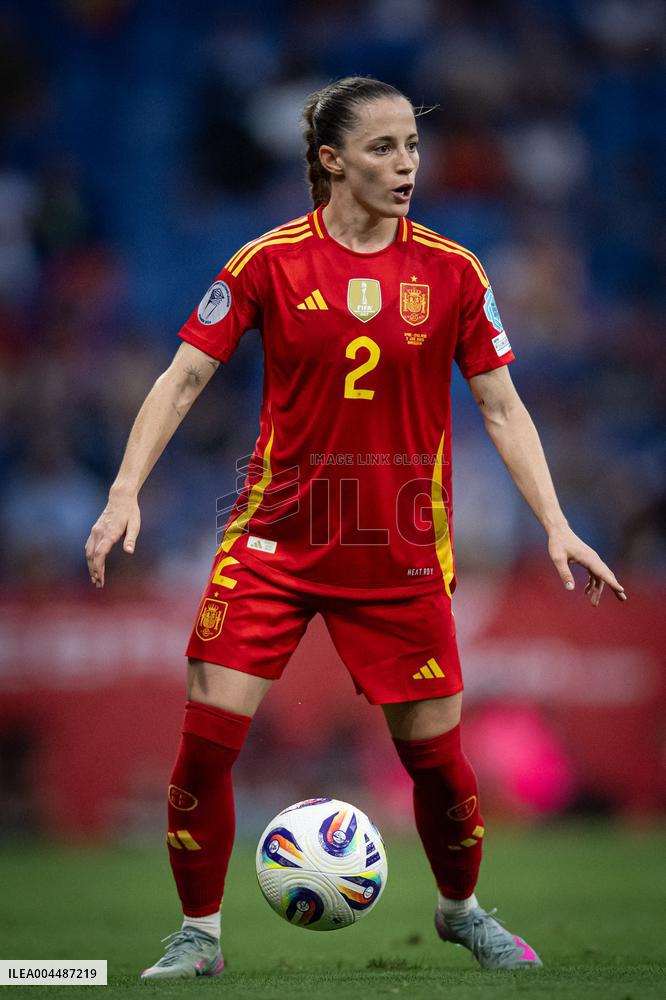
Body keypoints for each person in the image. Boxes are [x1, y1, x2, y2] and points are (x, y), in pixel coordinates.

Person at [85, 77, 626, 979]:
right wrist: (124, 490)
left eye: (412, 145)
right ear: (332, 160)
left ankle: (461, 913)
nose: (407, 164)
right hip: (273, 543)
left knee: (439, 766)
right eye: (383, 148)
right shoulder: (267, 262)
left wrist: (556, 523)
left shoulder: (454, 272)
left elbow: (501, 406)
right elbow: (181, 379)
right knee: (205, 747)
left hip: (399, 552)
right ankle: (200, 936)